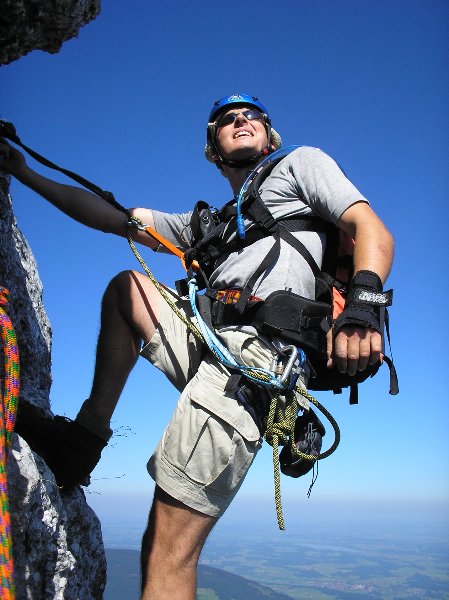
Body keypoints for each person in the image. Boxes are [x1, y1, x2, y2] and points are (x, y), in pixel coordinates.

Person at [0, 93, 394, 600]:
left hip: (255, 359)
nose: (240, 120)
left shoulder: (301, 165)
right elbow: (112, 217)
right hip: (210, 343)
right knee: (127, 290)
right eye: (227, 119)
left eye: (251, 115)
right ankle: (82, 442)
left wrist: (362, 309)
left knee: (167, 553)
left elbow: (369, 227)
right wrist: (23, 172)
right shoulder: (206, 227)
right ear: (213, 147)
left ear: (268, 133)